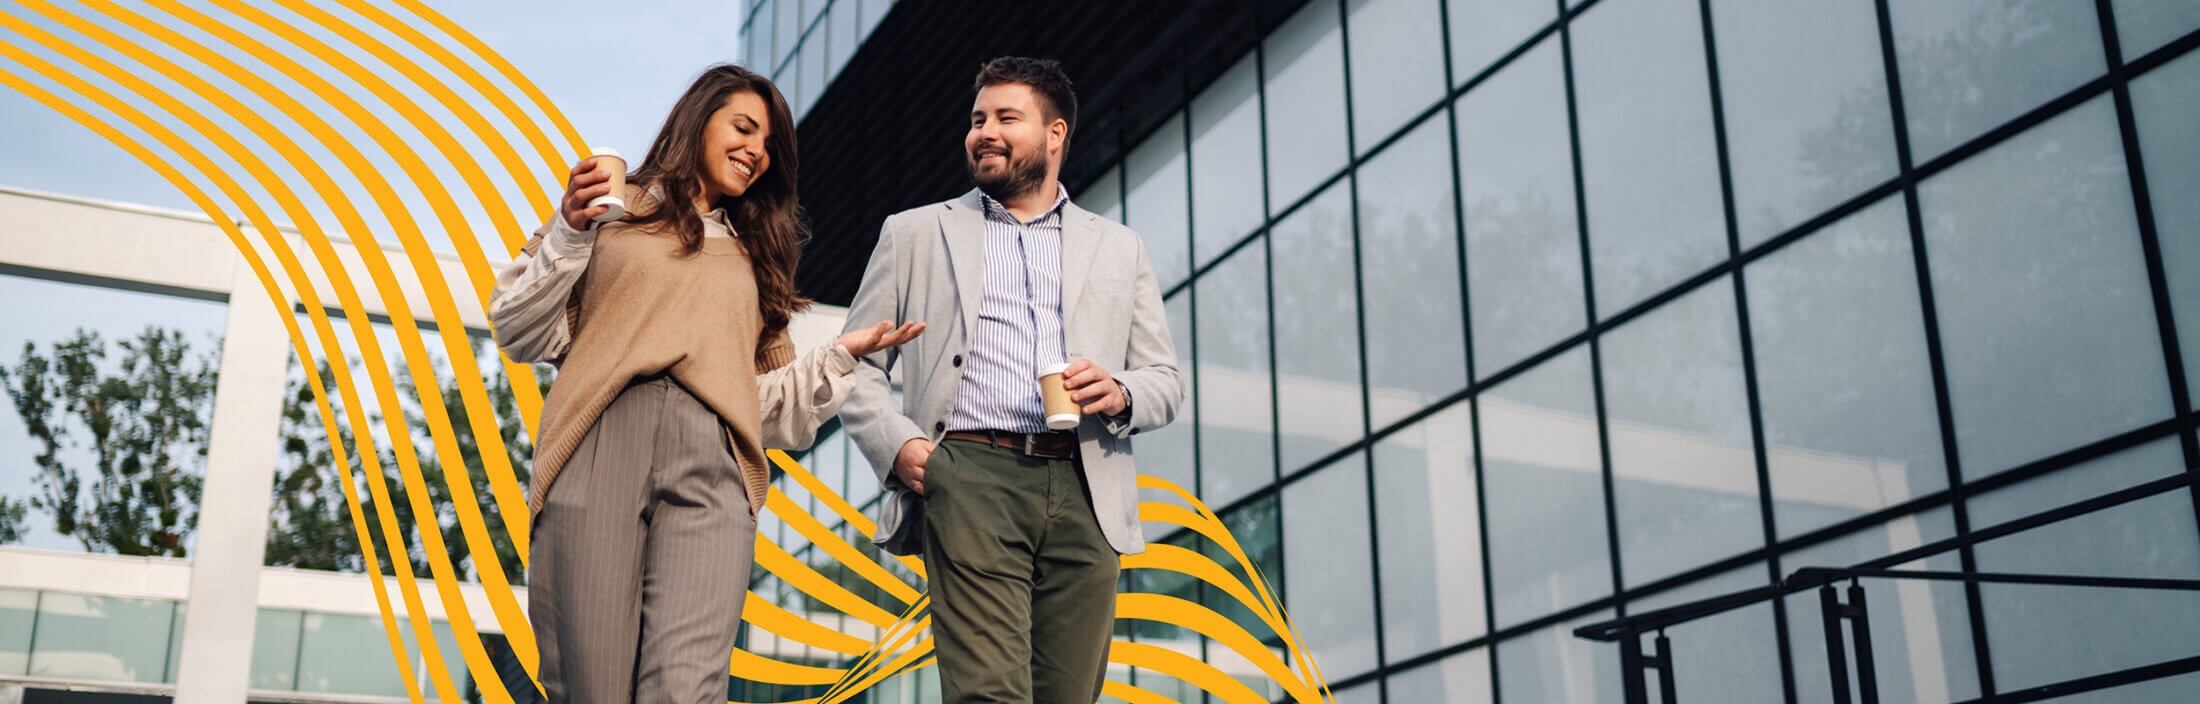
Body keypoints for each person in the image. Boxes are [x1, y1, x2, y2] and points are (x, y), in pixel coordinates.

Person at [487, 63, 923, 703]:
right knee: (591, 684)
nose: (757, 152)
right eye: (744, 129)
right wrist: (573, 229)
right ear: (698, 120)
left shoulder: (756, 257)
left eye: (769, 145)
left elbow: (765, 409)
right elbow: (518, 327)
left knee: (687, 691)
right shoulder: (613, 210)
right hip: (601, 442)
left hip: (714, 466)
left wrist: (840, 356)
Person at [838, 56, 1186, 704]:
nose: (984, 132)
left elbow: (1166, 377)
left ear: (1055, 134)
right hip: (969, 470)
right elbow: (855, 364)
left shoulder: (1119, 246)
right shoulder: (913, 233)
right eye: (977, 120)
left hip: (1087, 484)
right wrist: (901, 445)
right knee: (988, 695)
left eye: (1005, 117)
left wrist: (1122, 391)